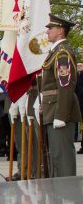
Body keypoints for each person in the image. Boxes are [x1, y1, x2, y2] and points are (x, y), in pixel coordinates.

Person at [40, 15, 80, 177]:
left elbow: (65, 85)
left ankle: (69, 198)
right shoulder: (56, 51)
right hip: (53, 107)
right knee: (56, 155)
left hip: (59, 109)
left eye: (51, 28)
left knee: (62, 156)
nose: (47, 31)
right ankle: (61, 195)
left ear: (61, 30)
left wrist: (61, 115)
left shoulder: (62, 53)